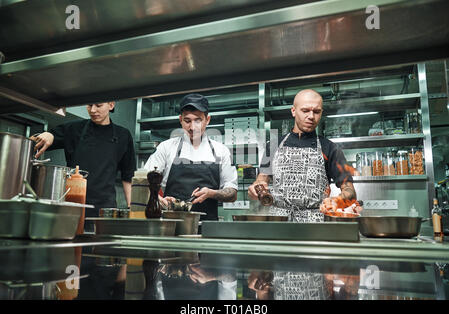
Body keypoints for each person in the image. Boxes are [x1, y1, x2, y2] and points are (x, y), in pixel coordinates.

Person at [248, 89, 356, 222]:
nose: (311, 116)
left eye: (316, 111)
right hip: (278, 221)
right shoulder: (273, 145)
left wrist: (337, 200)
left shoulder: (330, 148)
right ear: (293, 111)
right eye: (305, 111)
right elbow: (262, 180)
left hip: (314, 223)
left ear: (321, 113)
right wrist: (256, 188)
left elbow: (350, 191)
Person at [31, 102, 136, 230]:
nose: (92, 110)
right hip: (72, 206)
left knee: (100, 247)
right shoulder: (74, 129)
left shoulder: (123, 135)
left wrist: (133, 210)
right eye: (89, 105)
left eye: (98, 105)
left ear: (111, 105)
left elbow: (128, 177)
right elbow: (47, 138)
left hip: (104, 210)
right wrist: (48, 135)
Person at [144, 93, 238, 221]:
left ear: (207, 120)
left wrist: (212, 193)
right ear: (180, 120)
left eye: (198, 120)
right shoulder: (166, 148)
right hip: (170, 226)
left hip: (207, 228)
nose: (192, 127)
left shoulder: (221, 151)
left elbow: (232, 193)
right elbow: (142, 183)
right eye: (187, 121)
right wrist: (158, 199)